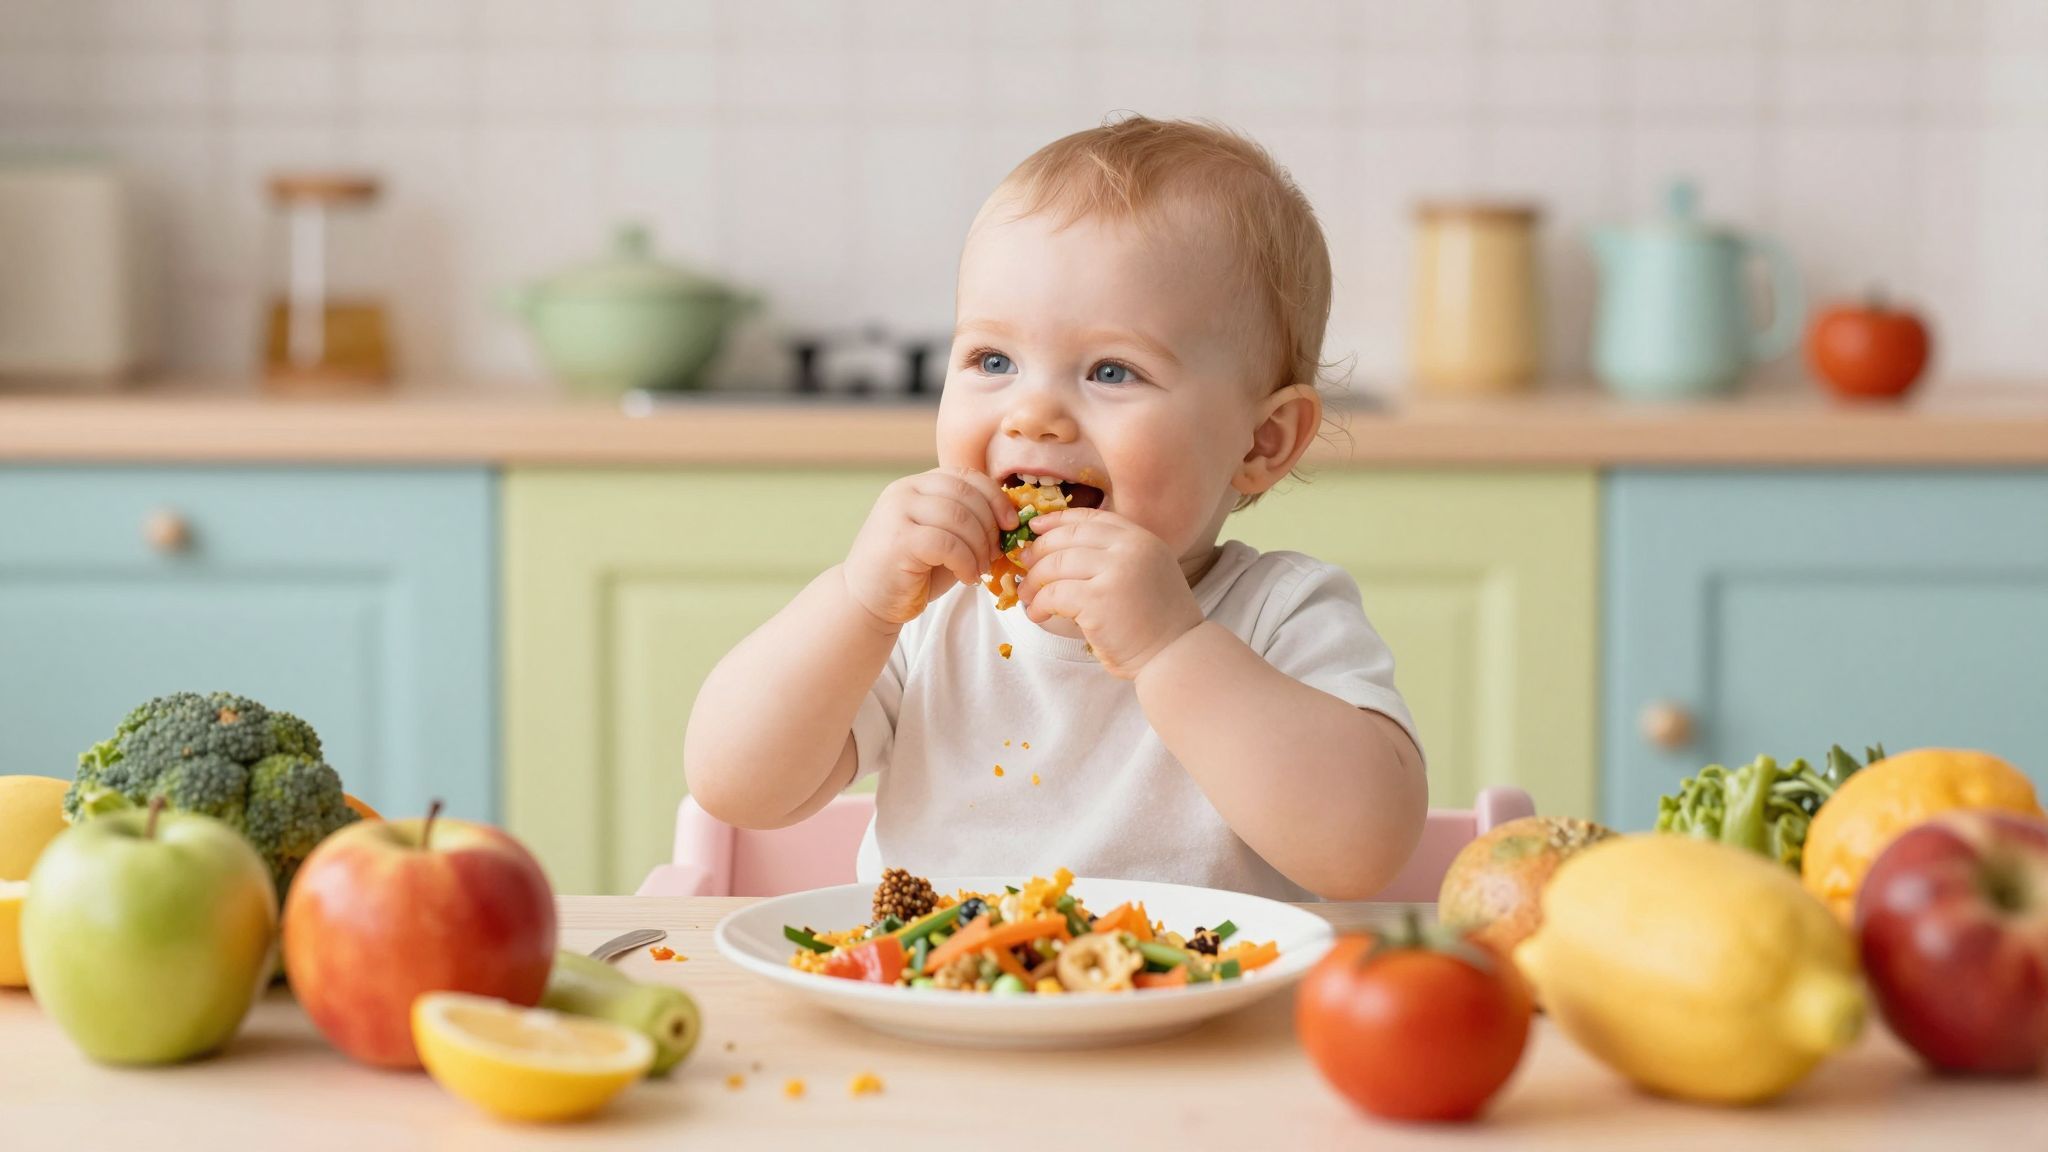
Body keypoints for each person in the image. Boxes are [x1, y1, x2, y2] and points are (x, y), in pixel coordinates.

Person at [685, 116, 1425, 900]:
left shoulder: (1281, 614)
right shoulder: (929, 615)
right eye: (992, 360)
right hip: (945, 1009)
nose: (1031, 413)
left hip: (1202, 1017)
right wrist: (859, 603)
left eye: (1112, 371)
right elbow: (735, 787)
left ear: (1261, 442)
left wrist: (1168, 647)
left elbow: (1361, 853)